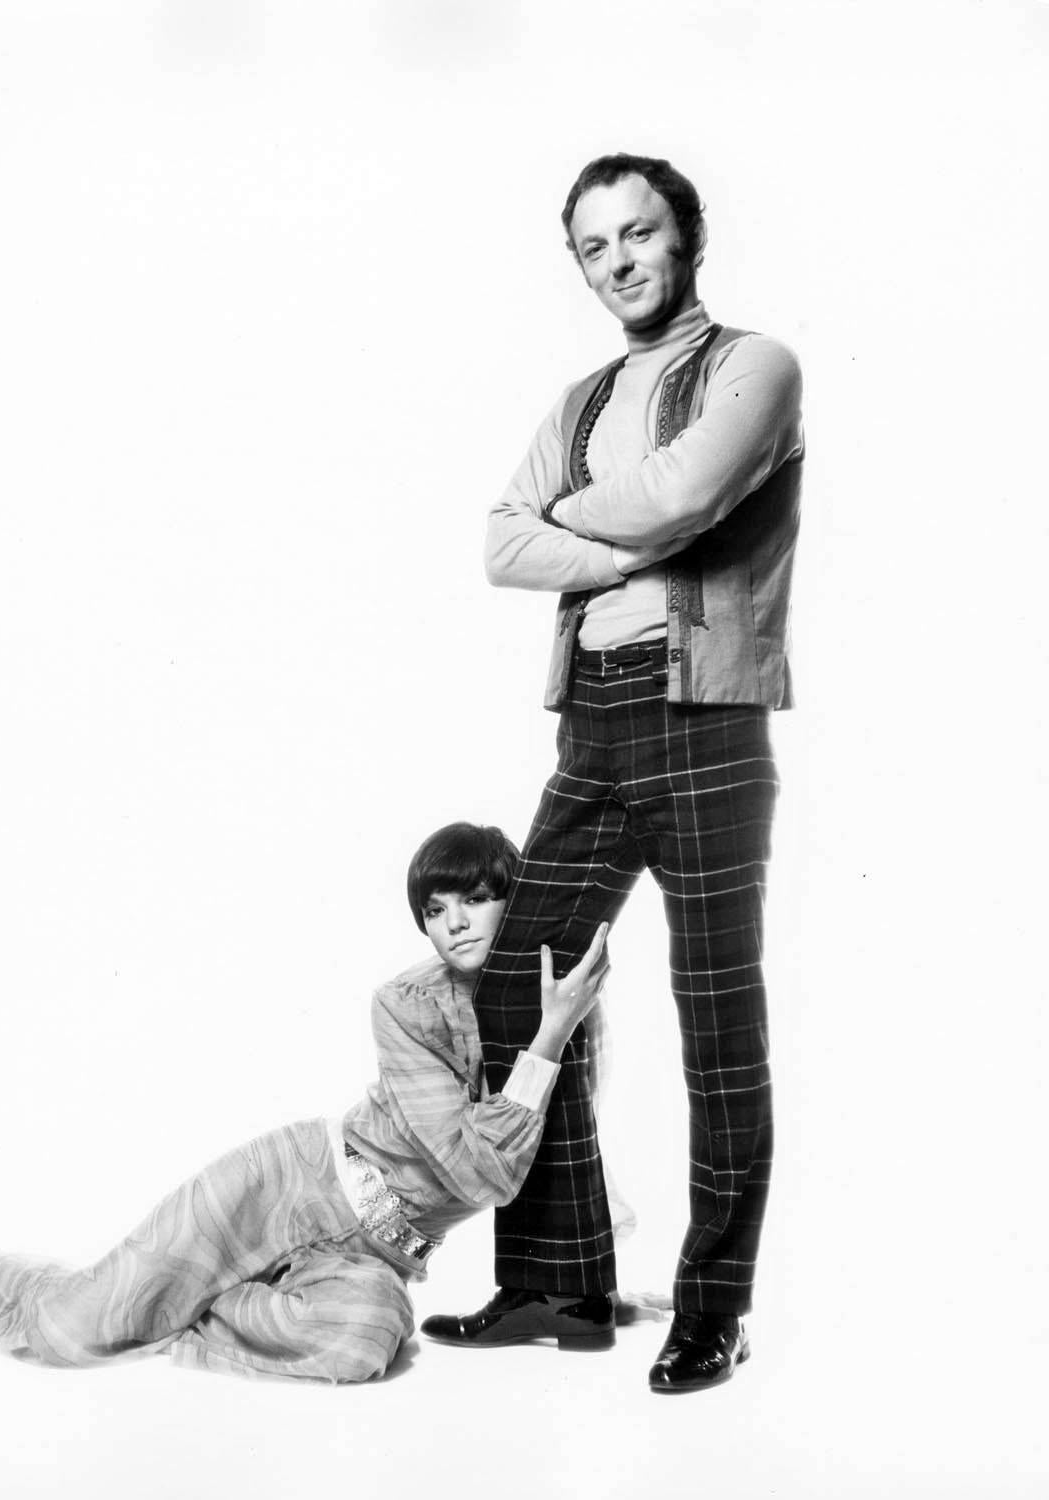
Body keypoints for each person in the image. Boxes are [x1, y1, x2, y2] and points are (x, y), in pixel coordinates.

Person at [420, 153, 804, 1394]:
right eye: (595, 247)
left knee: (717, 1031)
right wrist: (617, 522)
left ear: (688, 234)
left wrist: (573, 523)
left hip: (705, 727)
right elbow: (496, 544)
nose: (621, 261)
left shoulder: (754, 366)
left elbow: (687, 497)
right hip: (592, 723)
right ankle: (559, 1278)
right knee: (514, 993)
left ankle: (713, 1309)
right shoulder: (581, 398)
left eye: (639, 233)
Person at [0, 823, 610, 1383]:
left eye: (473, 899)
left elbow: (568, 1153)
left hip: (378, 1256)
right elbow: (476, 1171)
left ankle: (193, 1308)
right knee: (80, 1325)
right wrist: (547, 1040)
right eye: (435, 910)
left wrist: (593, 1276)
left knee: (361, 1345)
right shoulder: (405, 1006)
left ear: (512, 900)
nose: (456, 924)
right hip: (291, 1182)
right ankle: (107, 1293)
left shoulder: (567, 1002)